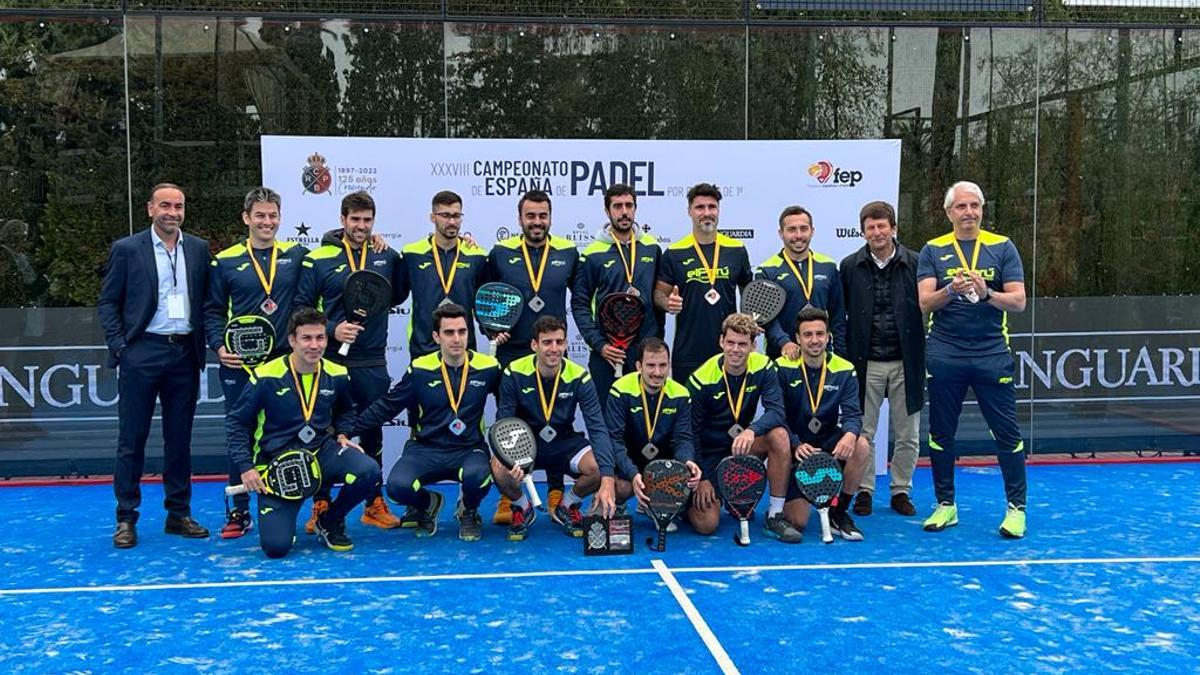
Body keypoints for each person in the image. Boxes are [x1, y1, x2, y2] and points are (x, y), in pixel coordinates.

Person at [98, 183, 211, 549]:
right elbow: (108, 303)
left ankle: (178, 514)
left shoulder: (197, 249)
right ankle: (126, 518)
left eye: (178, 206)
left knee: (179, 441)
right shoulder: (127, 250)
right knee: (132, 440)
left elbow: (207, 301)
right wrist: (121, 347)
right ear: (150, 209)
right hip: (142, 352)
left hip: (184, 355)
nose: (172, 212)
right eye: (165, 205)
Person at [917, 181, 1028, 538]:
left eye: (974, 206)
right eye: (961, 207)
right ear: (949, 212)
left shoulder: (1003, 246)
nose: (968, 212)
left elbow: (1019, 301)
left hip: (991, 353)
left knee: (1006, 432)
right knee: (940, 432)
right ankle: (945, 505)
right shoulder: (933, 249)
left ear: (982, 210)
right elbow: (925, 302)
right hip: (946, 354)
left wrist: (986, 292)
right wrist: (951, 289)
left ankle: (1016, 509)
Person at [226, 308, 381, 557]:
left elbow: (346, 410)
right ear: (292, 341)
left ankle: (329, 520)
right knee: (276, 548)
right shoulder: (265, 376)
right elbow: (236, 422)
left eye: (320, 338)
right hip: (277, 466)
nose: (314, 345)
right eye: (306, 338)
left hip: (321, 455)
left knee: (368, 470)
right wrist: (246, 467)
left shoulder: (337, 373)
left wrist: (343, 434)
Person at [296, 190, 408, 532]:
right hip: (329, 362)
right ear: (342, 219)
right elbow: (301, 307)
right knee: (324, 434)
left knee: (373, 433)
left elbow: (401, 293)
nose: (361, 226)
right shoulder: (319, 259)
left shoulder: (385, 256)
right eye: (355, 219)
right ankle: (321, 503)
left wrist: (390, 251)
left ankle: (373, 504)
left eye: (367, 220)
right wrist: (332, 329)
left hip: (372, 361)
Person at [345, 303, 501, 541]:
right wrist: (346, 430)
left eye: (462, 331)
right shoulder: (420, 369)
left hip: (468, 449)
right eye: (449, 332)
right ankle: (428, 503)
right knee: (397, 486)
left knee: (479, 477)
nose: (457, 338)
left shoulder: (489, 367)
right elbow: (388, 405)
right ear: (436, 336)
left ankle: (468, 511)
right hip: (425, 448)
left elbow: (510, 403)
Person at [205, 187, 308, 538]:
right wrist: (219, 346)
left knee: (286, 435)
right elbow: (213, 310)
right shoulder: (225, 260)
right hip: (239, 366)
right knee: (241, 434)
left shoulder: (297, 255)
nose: (267, 222)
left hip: (282, 365)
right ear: (246, 218)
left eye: (273, 215)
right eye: (260, 215)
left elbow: (334, 250)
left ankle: (287, 502)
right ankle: (238, 511)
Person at [485, 189, 580, 525]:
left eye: (542, 215)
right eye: (530, 216)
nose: (536, 222)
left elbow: (580, 302)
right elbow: (484, 299)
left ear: (550, 218)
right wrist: (489, 330)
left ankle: (556, 490)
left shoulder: (568, 252)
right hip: (513, 353)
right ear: (520, 218)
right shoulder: (500, 253)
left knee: (557, 421)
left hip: (552, 352)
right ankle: (509, 496)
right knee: (509, 425)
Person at [839, 200, 925, 517]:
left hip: (907, 360)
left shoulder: (916, 263)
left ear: (893, 228)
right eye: (870, 227)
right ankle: (864, 491)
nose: (877, 232)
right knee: (864, 433)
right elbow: (841, 315)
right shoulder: (849, 266)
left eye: (882, 226)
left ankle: (901, 490)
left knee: (908, 434)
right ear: (863, 232)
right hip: (866, 362)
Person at [493, 315, 613, 541]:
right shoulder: (513, 372)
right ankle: (522, 506)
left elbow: (597, 427)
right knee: (498, 467)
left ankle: (567, 505)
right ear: (534, 345)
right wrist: (510, 458)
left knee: (600, 466)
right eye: (547, 342)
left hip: (564, 443)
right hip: (524, 445)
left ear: (566, 344)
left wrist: (607, 478)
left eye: (559, 342)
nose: (554, 348)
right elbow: (504, 422)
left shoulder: (579, 376)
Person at [685, 313, 790, 538]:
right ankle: (694, 500)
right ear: (721, 341)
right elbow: (690, 433)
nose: (735, 349)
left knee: (779, 435)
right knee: (707, 525)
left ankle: (774, 515)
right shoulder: (701, 378)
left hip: (740, 448)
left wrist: (753, 430)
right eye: (730, 342)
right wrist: (702, 478)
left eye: (742, 344)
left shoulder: (763, 366)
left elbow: (777, 411)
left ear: (753, 345)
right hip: (708, 455)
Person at [776, 307, 868, 542]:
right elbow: (776, 414)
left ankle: (839, 512)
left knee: (861, 444)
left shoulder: (845, 369)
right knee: (798, 522)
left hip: (828, 443)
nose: (814, 340)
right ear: (797, 338)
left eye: (820, 334)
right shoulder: (782, 368)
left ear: (828, 337)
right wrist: (795, 443)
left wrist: (850, 434)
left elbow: (853, 414)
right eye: (808, 335)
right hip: (797, 447)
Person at [572, 183, 663, 402]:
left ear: (635, 208)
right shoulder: (592, 254)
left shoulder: (652, 247)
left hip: (646, 354)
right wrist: (600, 345)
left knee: (646, 422)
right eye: (617, 206)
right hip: (607, 353)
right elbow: (579, 304)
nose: (624, 212)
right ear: (607, 211)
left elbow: (659, 297)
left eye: (629, 205)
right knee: (608, 419)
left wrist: (655, 342)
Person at [594, 337, 700, 521]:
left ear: (669, 366)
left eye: (663, 365)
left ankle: (654, 503)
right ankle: (619, 504)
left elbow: (682, 439)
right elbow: (615, 440)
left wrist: (688, 460)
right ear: (638, 365)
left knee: (705, 524)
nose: (657, 372)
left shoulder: (681, 394)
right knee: (620, 488)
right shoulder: (620, 390)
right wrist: (633, 473)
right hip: (629, 462)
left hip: (662, 466)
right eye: (651, 365)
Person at [655, 183, 753, 381]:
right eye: (700, 207)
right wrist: (668, 303)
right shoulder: (674, 252)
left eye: (712, 207)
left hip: (730, 350)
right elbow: (659, 294)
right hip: (688, 351)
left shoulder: (737, 249)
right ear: (689, 211)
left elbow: (749, 290)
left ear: (718, 210)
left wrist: (752, 318)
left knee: (731, 410)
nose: (707, 213)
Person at [400, 190, 488, 359]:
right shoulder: (411, 254)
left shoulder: (477, 256)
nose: (452, 221)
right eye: (445, 215)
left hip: (463, 347)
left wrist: (492, 331)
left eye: (456, 215)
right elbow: (396, 295)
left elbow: (483, 303)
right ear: (433, 217)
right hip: (423, 348)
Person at [756, 205, 846, 360]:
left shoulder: (829, 266)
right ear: (781, 233)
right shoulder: (767, 270)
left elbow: (838, 316)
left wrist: (841, 354)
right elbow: (767, 318)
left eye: (804, 229)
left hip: (821, 356)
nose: (798, 235)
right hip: (781, 356)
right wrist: (784, 342)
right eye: (791, 229)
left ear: (812, 231)